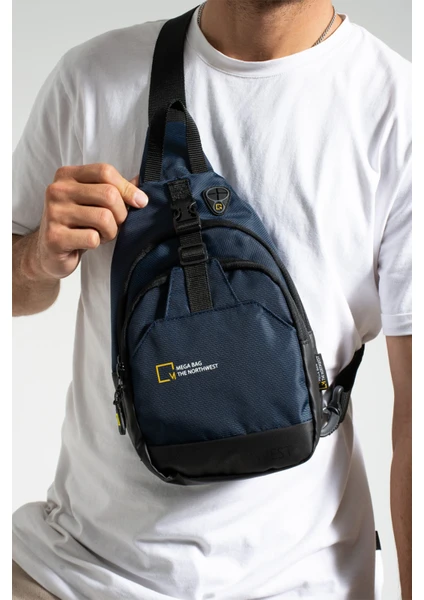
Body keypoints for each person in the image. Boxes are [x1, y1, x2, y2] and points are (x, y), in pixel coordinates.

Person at [12, 0, 411, 598]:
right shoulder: (91, 78)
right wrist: (36, 256)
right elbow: (16, 288)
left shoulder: (398, 109)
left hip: (302, 580)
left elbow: (415, 420)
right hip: (77, 572)